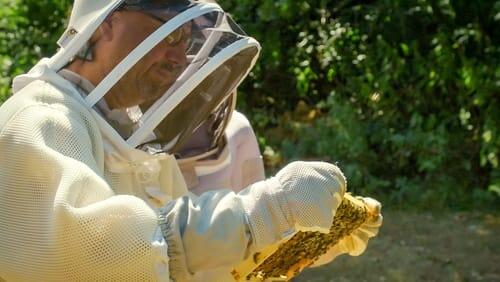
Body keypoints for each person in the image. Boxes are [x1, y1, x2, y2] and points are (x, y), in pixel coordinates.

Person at [0, 1, 381, 282]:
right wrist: (263, 211)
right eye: (171, 34)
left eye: (187, 40)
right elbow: (102, 254)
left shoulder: (125, 138)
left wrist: (286, 239)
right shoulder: (40, 121)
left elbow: (179, 262)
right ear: (105, 25)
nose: (180, 58)